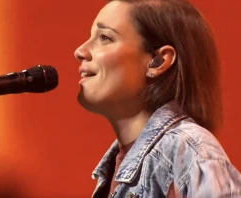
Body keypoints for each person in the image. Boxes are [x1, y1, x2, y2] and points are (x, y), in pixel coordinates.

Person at [74, 0, 241, 197]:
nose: (80, 51)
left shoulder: (189, 151)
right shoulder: (115, 166)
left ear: (159, 61)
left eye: (105, 37)